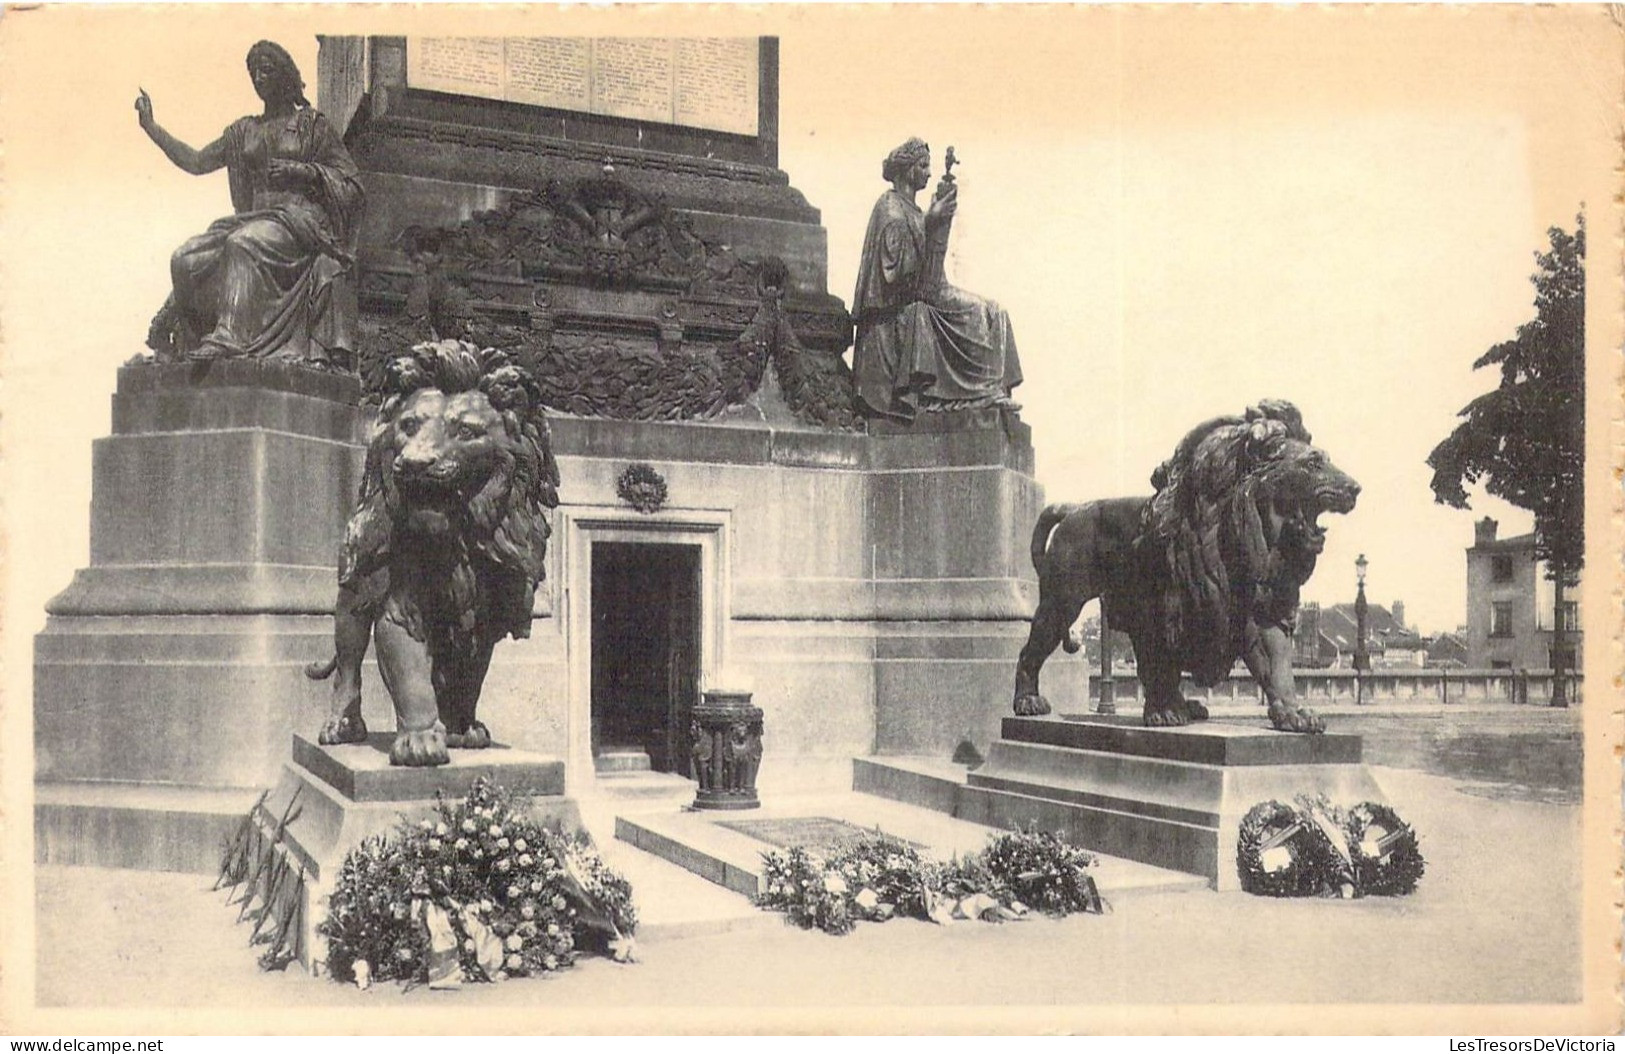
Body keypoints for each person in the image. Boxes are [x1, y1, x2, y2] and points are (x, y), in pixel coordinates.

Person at [136, 40, 365, 366]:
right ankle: (190, 345)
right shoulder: (244, 130)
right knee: (185, 258)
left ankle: (230, 337)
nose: (258, 77)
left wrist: (305, 172)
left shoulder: (312, 126)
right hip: (253, 219)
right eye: (253, 72)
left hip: (296, 220)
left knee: (242, 244)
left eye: (266, 70)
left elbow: (353, 185)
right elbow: (197, 161)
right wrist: (151, 127)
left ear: (285, 76)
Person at [852, 137, 1022, 422]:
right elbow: (893, 276)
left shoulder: (913, 209)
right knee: (975, 314)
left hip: (926, 293)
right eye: (923, 166)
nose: (929, 173)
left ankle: (993, 391)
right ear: (907, 170)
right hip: (895, 313)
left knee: (996, 312)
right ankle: (982, 392)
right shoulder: (890, 207)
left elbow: (929, 274)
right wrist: (930, 220)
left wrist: (938, 224)